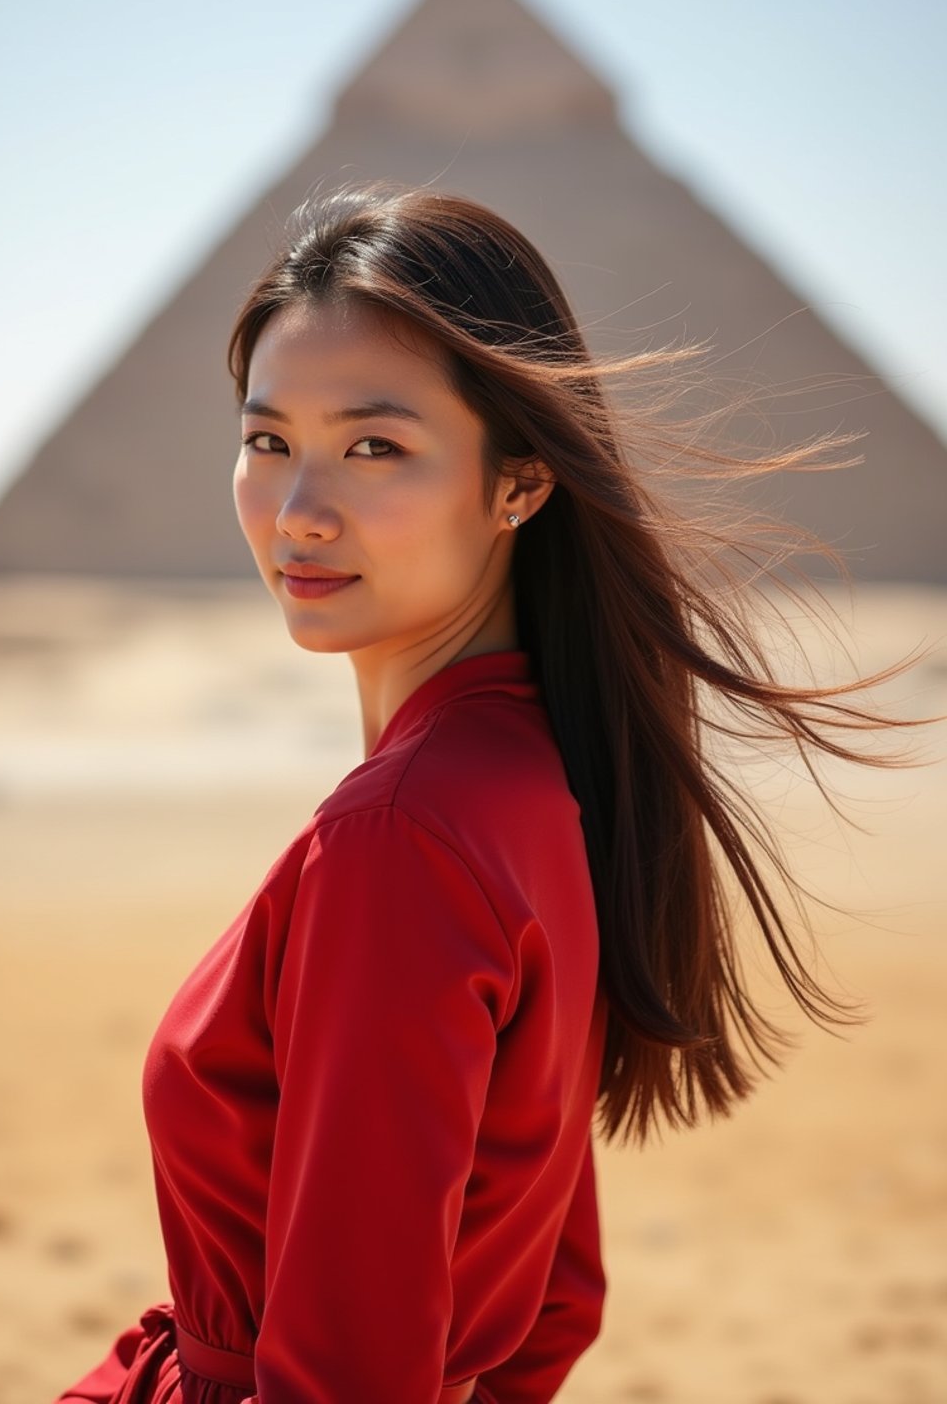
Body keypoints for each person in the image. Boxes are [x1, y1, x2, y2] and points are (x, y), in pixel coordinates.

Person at [54, 182, 938, 1403]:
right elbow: (553, 1299)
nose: (299, 512)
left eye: (375, 447)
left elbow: (350, 1380)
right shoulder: (534, 782)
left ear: (520, 485)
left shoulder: (401, 836)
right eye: (268, 442)